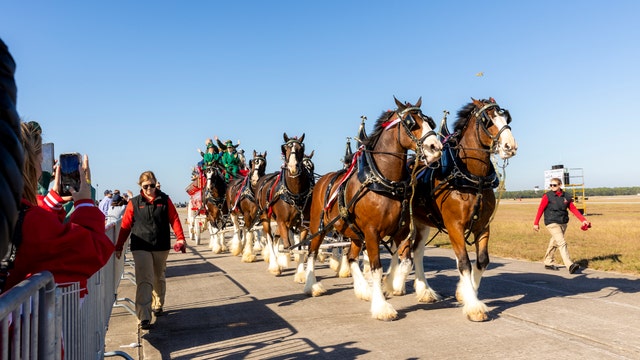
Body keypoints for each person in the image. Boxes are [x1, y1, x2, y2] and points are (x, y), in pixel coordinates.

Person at [1, 120, 115, 294]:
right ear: (27, 165)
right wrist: (84, 203)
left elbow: (33, 238)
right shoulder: (28, 220)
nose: (42, 170)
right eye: (40, 162)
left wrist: (52, 202)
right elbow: (92, 251)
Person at [114, 171, 187, 330]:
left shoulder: (165, 200)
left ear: (156, 184)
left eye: (152, 185)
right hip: (141, 246)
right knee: (144, 279)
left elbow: (174, 219)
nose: (149, 189)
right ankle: (144, 316)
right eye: (145, 186)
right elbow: (125, 226)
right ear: (140, 186)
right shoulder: (134, 203)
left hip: (161, 245)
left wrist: (181, 238)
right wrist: (119, 246)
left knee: (158, 276)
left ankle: (158, 304)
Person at [533, 177, 591, 274]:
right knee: (562, 242)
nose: (552, 187)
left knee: (555, 242)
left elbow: (573, 209)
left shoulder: (566, 197)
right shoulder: (547, 196)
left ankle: (548, 261)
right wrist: (536, 223)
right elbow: (540, 209)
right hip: (551, 222)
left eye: (554, 185)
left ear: (560, 185)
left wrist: (583, 220)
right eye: (550, 185)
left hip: (563, 222)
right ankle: (570, 265)